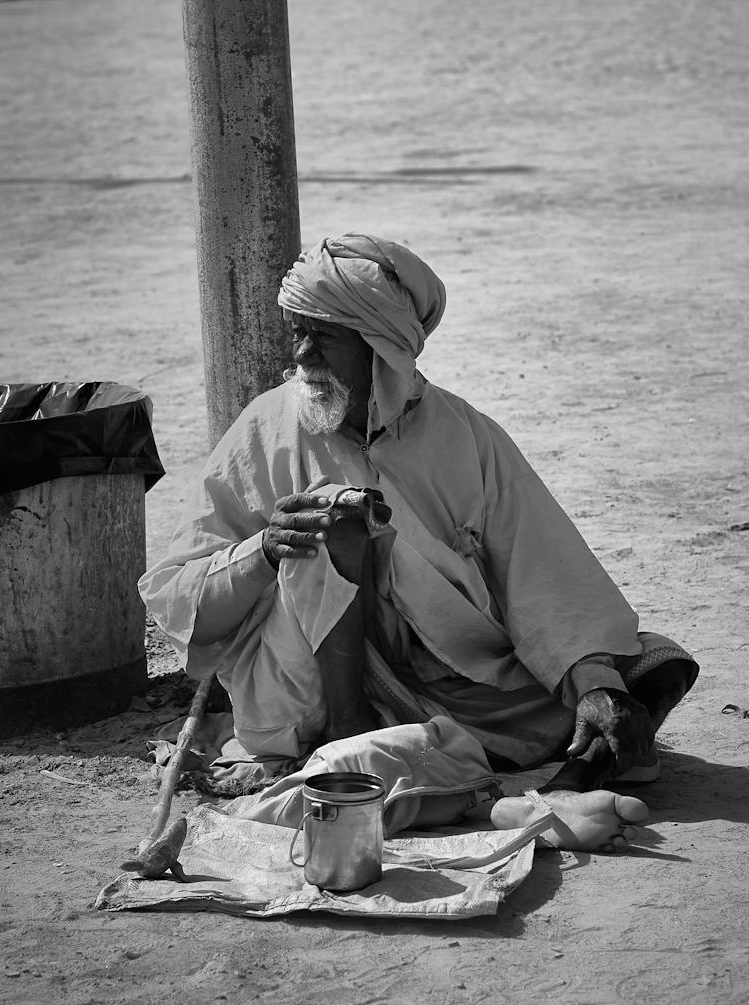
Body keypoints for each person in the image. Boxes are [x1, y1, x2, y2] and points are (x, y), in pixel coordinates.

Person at [141, 235, 699, 832]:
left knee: (646, 667)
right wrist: (264, 550)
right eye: (295, 331)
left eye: (323, 336)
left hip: (455, 683)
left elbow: (542, 569)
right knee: (334, 514)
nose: (302, 355)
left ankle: (492, 763)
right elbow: (178, 595)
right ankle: (353, 738)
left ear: (380, 347)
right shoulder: (265, 428)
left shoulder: (468, 436)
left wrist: (593, 682)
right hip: (306, 692)